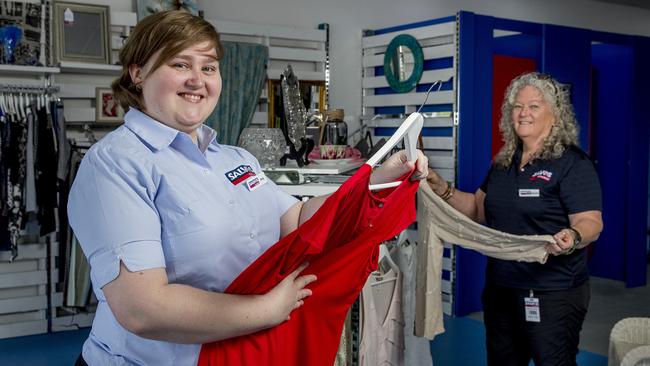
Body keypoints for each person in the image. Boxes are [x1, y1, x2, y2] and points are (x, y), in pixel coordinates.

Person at [66, 10, 428, 366]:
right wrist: (265, 310)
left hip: (243, 353)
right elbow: (142, 309)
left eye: (208, 67)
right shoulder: (116, 164)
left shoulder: (233, 158)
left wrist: (381, 179)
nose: (197, 79)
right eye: (180, 64)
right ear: (138, 73)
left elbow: (298, 219)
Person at [426, 72, 603, 366]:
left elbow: (591, 222)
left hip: (553, 292)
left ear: (555, 114)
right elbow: (476, 209)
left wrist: (572, 237)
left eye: (534, 106)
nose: (523, 113)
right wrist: (441, 188)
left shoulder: (572, 163)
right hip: (502, 288)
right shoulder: (504, 162)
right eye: (517, 106)